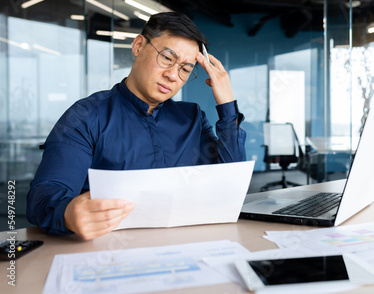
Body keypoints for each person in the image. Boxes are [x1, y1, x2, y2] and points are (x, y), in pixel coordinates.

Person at [27, 12, 246, 240]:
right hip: (108, 250)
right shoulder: (86, 116)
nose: (173, 75)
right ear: (139, 45)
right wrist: (69, 214)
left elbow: (230, 186)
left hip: (183, 246)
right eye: (167, 58)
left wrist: (227, 104)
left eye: (185, 69)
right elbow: (43, 196)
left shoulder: (192, 118)